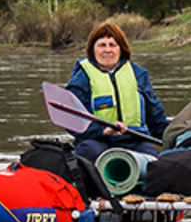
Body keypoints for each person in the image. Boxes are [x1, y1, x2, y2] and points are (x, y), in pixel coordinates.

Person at [66, 21, 170, 164]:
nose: (107, 50)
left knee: (152, 160)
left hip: (135, 140)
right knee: (89, 153)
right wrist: (103, 130)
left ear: (121, 49)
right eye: (102, 45)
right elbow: (73, 120)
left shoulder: (139, 74)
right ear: (93, 49)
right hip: (97, 141)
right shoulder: (81, 77)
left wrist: (170, 137)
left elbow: (155, 114)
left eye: (112, 45)